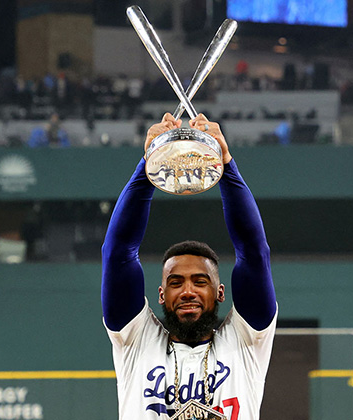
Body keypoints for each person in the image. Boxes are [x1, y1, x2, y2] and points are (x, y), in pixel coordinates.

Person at [101, 113, 277, 420]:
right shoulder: (135, 340)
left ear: (220, 292)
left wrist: (225, 162)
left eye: (200, 281)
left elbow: (253, 252)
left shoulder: (247, 340)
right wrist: (149, 163)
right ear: (160, 294)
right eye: (175, 282)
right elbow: (118, 253)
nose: (187, 291)